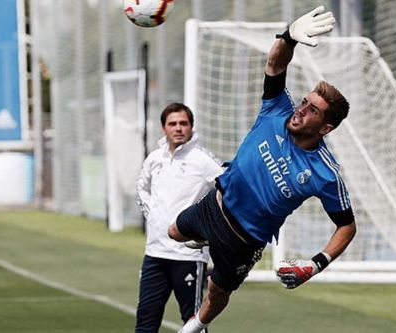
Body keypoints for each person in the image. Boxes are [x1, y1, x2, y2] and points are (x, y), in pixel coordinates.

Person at [167, 6, 357, 332]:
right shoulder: (277, 110)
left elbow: (347, 226)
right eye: (304, 102)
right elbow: (275, 63)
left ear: (325, 128)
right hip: (215, 205)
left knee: (216, 291)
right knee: (174, 232)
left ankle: (194, 327)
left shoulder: (326, 173)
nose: (301, 110)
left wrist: (315, 265)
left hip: (244, 239)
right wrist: (289, 35)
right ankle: (202, 237)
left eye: (313, 110)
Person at [135, 103, 223, 332]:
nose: (178, 128)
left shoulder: (203, 160)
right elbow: (142, 187)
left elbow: (229, 188)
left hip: (188, 255)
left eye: (183, 123)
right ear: (164, 127)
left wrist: (210, 225)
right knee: (145, 321)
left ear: (192, 127)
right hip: (154, 254)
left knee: (193, 322)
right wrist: (152, 213)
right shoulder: (154, 158)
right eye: (172, 123)